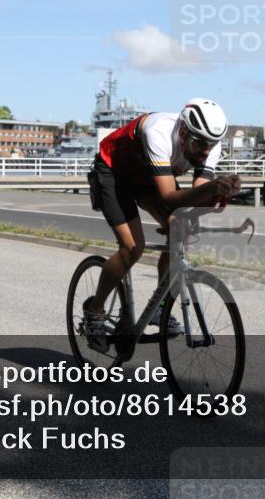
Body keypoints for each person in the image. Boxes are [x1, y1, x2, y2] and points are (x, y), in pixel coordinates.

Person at [83, 98, 241, 352]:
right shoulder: (156, 131)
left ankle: (159, 309)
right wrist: (210, 190)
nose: (204, 151)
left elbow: (195, 198)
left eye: (209, 145)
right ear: (182, 131)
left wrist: (219, 194)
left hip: (149, 177)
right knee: (133, 248)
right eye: (199, 143)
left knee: (182, 233)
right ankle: (95, 310)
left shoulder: (210, 145)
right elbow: (168, 197)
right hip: (115, 173)